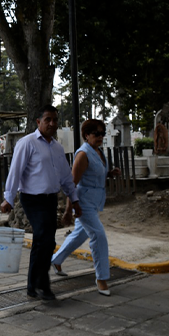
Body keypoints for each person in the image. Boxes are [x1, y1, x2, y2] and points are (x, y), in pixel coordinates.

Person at [1, 105, 82, 301]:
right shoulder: (27, 143)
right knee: (44, 238)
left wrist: (75, 200)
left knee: (46, 241)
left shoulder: (57, 147)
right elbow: (16, 171)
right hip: (32, 198)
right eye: (48, 120)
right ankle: (42, 285)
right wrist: (8, 198)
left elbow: (65, 177)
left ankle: (34, 285)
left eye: (55, 120)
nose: (52, 124)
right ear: (39, 122)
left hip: (50, 199)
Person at [50, 119, 121, 295]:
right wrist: (68, 210)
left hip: (95, 201)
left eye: (102, 134)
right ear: (86, 135)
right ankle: (102, 278)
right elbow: (71, 184)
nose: (100, 137)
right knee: (98, 235)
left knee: (79, 234)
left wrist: (110, 173)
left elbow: (96, 174)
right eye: (96, 134)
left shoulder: (98, 152)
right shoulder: (83, 154)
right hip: (82, 202)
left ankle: (56, 260)